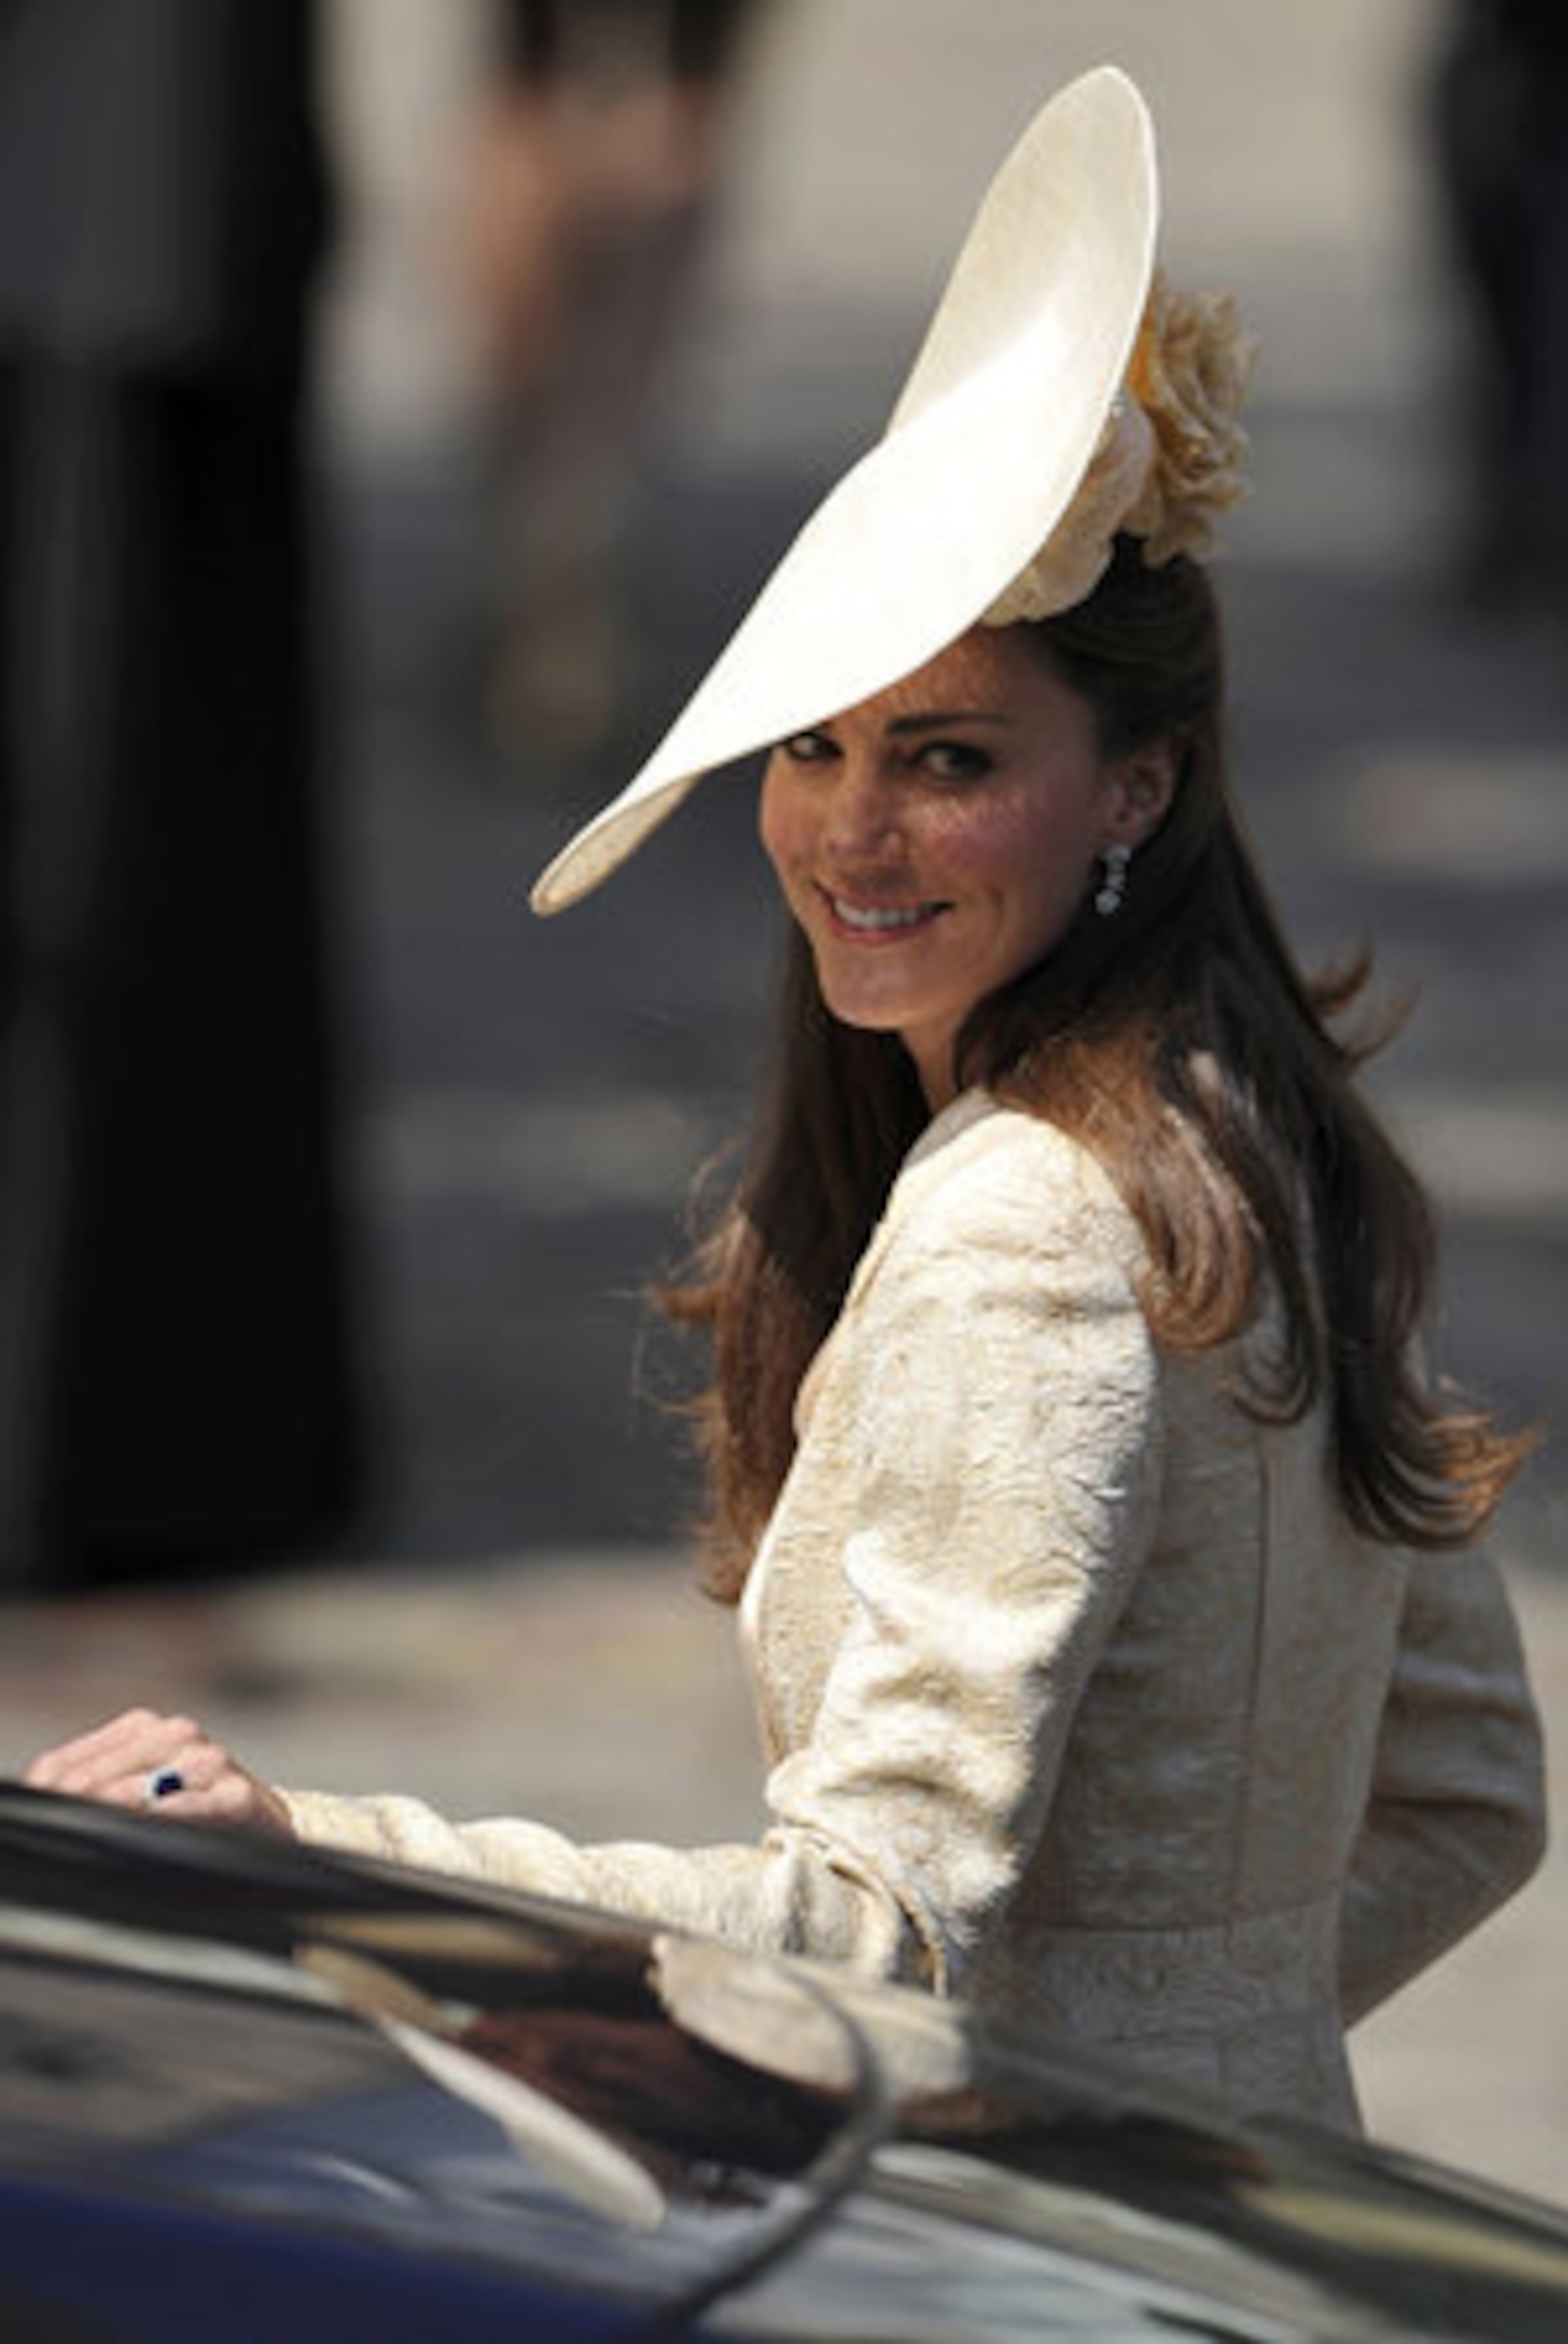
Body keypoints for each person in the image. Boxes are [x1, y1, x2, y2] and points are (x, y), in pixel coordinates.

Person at [24, 69, 1546, 2132]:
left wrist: (318, 1846)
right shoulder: (1258, 1143)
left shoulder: (1025, 1230)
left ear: (1141, 785)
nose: (853, 830)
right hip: (1235, 2225)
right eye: (815, 747)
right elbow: (1465, 1797)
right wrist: (1201, 2041)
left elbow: (876, 1931)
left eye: (948, 757)